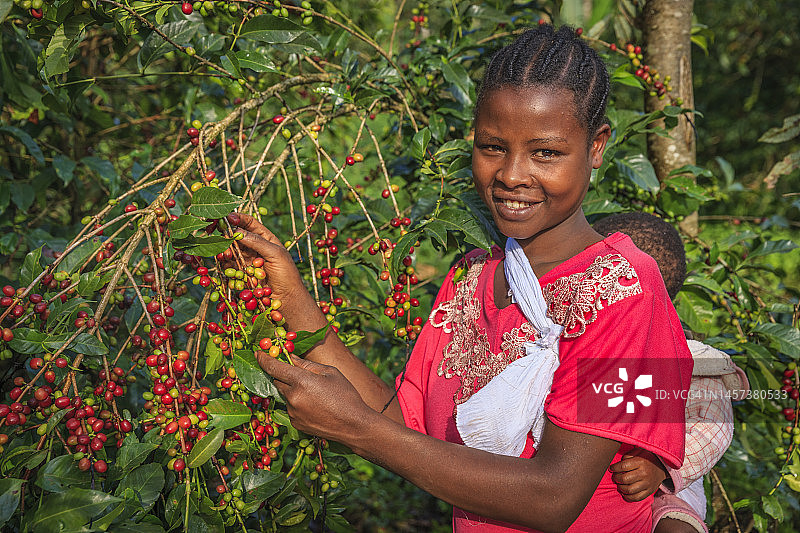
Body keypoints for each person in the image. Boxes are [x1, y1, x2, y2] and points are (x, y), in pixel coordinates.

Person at [230, 24, 693, 532]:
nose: (512, 174)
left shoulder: (628, 291)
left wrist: (355, 430)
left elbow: (555, 497)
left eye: (546, 153)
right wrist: (290, 295)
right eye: (492, 147)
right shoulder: (474, 276)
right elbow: (406, 423)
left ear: (597, 146)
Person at [595, 213, 750, 533]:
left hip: (666, 490)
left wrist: (661, 467)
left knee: (676, 527)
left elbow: (712, 428)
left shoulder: (693, 360)